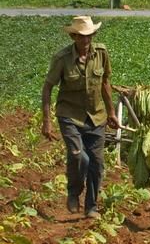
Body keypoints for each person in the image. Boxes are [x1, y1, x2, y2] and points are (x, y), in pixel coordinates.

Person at [41, 16, 119, 219]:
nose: (86, 41)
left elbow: (105, 82)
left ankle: (91, 207)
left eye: (89, 36)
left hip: (96, 116)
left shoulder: (101, 53)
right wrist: (47, 121)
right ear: (74, 36)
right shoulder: (62, 58)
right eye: (82, 37)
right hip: (70, 116)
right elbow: (48, 87)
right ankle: (73, 192)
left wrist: (111, 112)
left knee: (97, 163)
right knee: (78, 156)